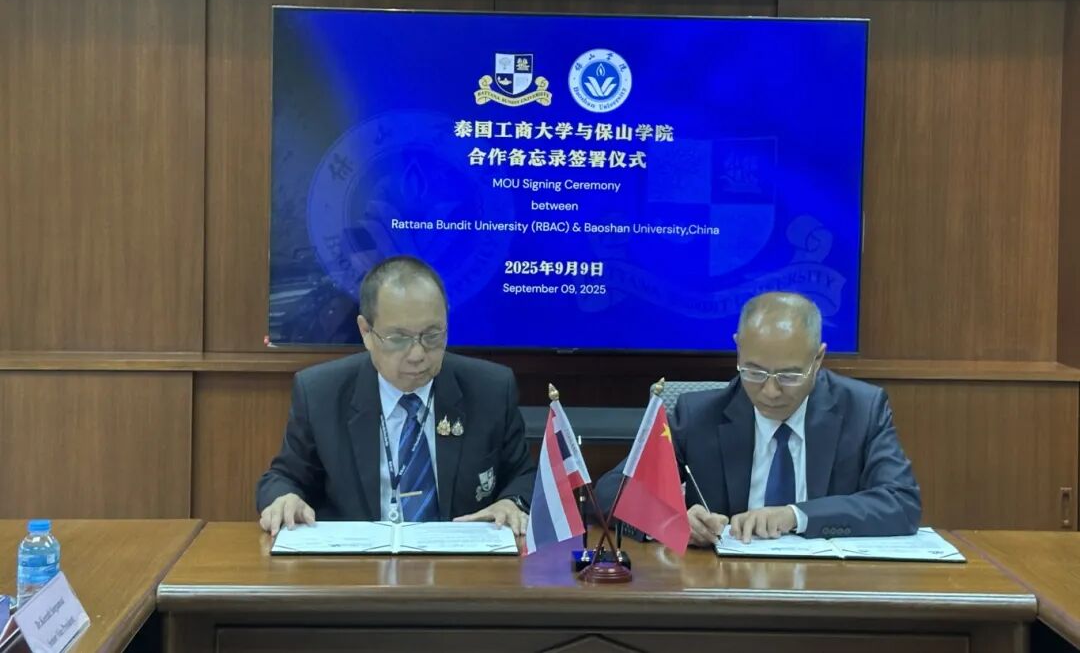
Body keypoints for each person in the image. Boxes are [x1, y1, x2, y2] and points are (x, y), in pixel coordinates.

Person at [596, 292, 921, 546]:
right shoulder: (698, 416)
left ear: (818, 358)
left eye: (789, 375)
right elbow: (610, 490)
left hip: (829, 584)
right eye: (754, 372)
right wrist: (671, 519)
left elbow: (901, 502)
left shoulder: (862, 409)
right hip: (722, 584)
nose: (770, 391)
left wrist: (795, 515)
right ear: (738, 349)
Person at [257, 255, 536, 537]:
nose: (417, 354)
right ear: (366, 332)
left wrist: (511, 502)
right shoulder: (321, 393)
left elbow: (524, 476)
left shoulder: (490, 389)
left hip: (461, 557)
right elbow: (283, 477)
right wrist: (285, 498)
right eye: (398, 339)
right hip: (357, 558)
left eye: (432, 335)